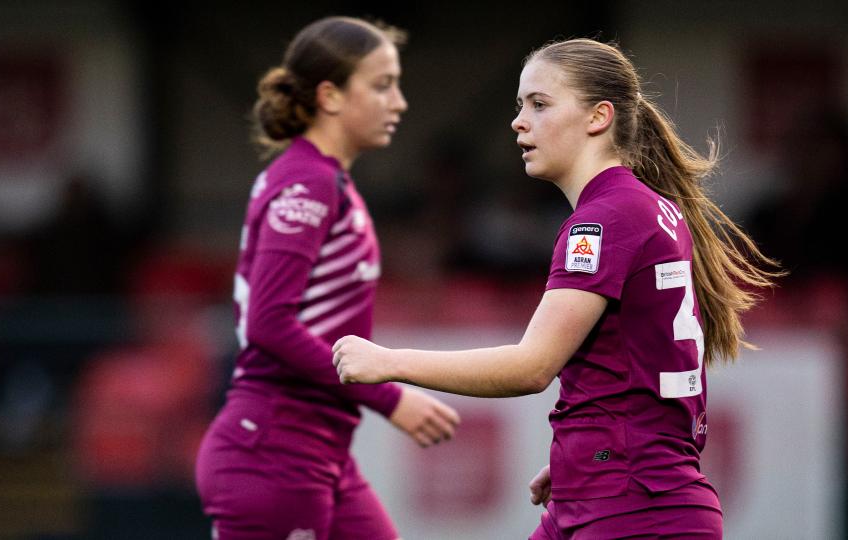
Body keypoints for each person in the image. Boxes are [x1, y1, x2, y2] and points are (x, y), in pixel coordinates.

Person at [333, 38, 780, 539]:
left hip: (633, 510)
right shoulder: (648, 207)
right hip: (611, 491)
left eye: (539, 105)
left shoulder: (604, 220)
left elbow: (532, 367)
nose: (518, 121)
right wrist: (585, 451)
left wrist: (389, 362)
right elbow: (637, 359)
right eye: (520, 106)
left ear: (598, 117)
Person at [194, 16, 460, 540]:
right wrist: (391, 397)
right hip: (274, 449)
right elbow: (268, 322)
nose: (399, 102)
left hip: (320, 452)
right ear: (330, 96)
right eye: (383, 85)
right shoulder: (309, 182)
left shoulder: (323, 179)